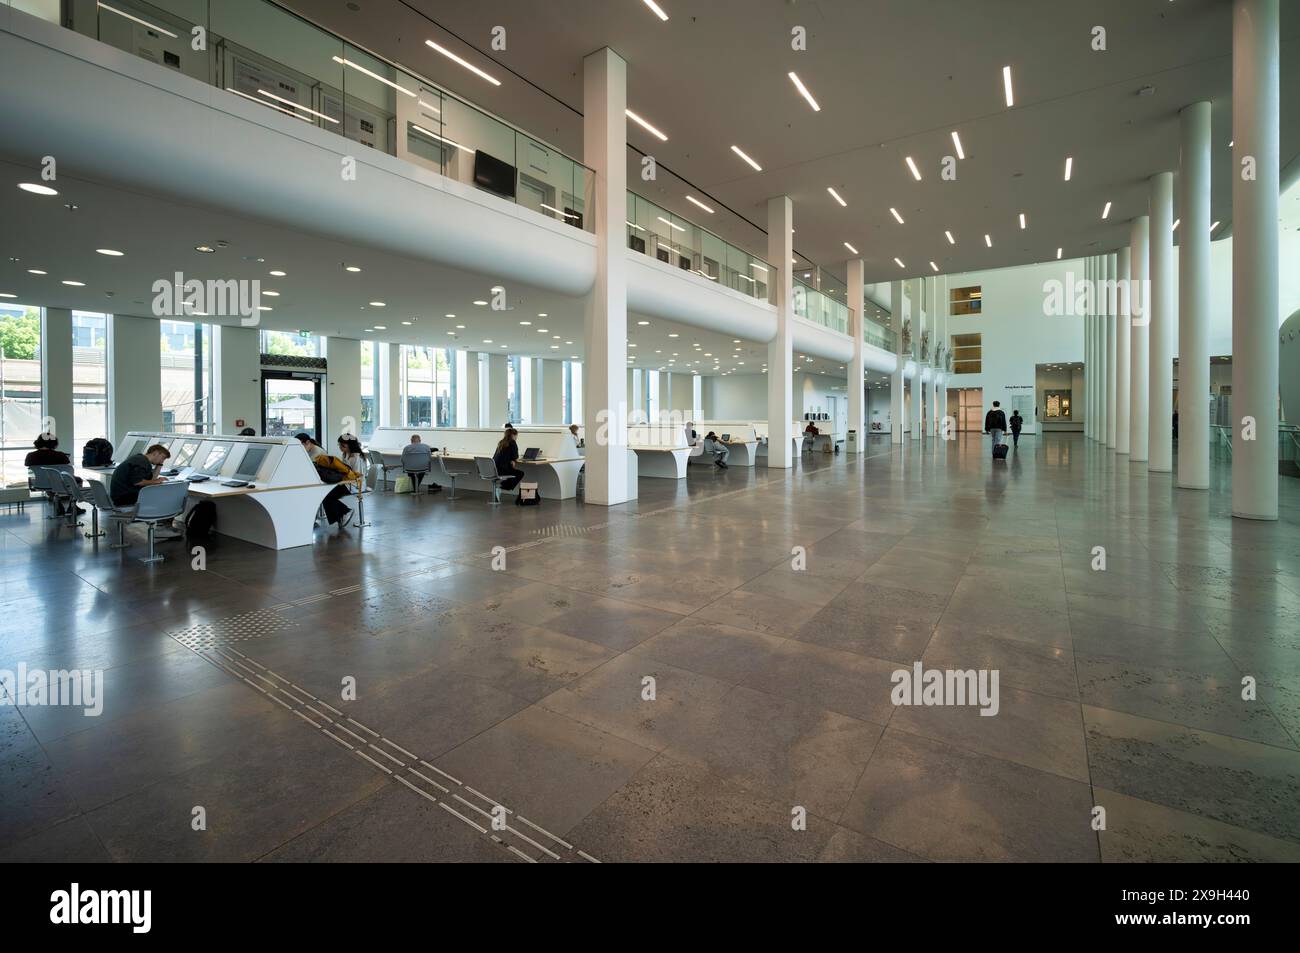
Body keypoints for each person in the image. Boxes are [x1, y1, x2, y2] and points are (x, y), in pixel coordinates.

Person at [297, 433, 358, 528]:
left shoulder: (356, 457)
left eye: (343, 446)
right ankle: (342, 515)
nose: (341, 448)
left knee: (325, 495)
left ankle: (344, 512)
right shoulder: (345, 454)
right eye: (340, 445)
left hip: (354, 485)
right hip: (345, 482)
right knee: (324, 494)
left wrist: (342, 479)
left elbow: (357, 476)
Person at [493, 426, 525, 491]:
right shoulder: (512, 442)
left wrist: (511, 460)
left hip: (494, 469)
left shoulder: (501, 442)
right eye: (516, 436)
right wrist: (513, 460)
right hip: (503, 470)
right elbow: (515, 457)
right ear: (513, 435)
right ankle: (503, 487)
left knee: (512, 471)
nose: (517, 437)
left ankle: (502, 486)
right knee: (520, 473)